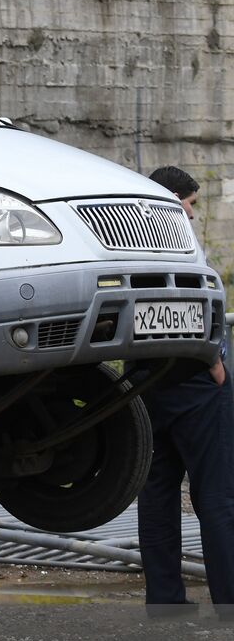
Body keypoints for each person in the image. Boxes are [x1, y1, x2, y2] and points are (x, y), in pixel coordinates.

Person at [134, 166, 234, 612]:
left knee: (156, 495)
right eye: (190, 204)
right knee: (217, 497)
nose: (191, 215)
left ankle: (166, 604)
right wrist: (213, 359)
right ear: (174, 198)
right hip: (194, 379)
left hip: (140, 381)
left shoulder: (120, 240)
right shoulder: (176, 238)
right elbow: (193, 300)